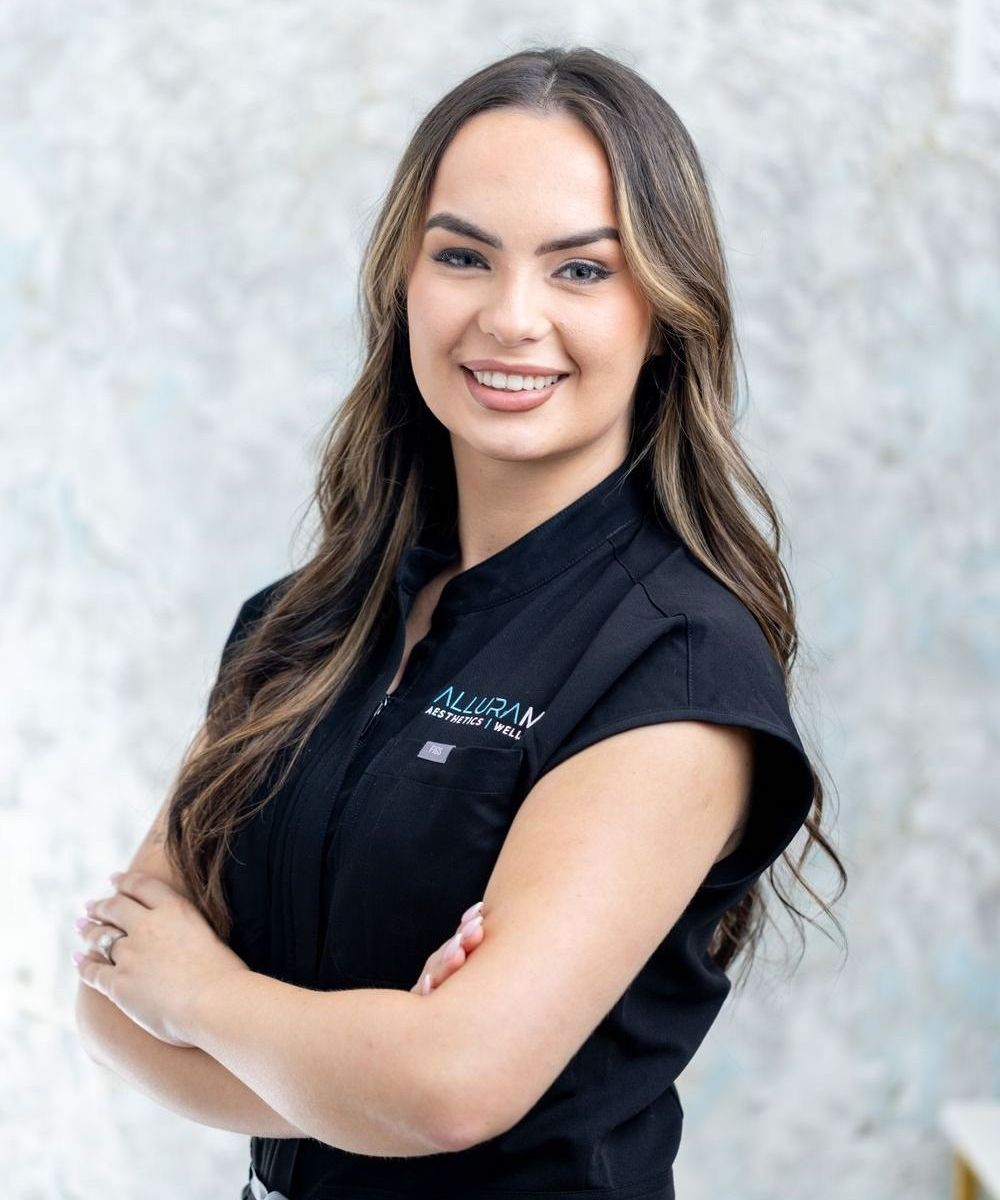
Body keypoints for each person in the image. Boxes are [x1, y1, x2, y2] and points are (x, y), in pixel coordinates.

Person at [73, 45, 845, 1200]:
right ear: (404, 279)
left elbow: (451, 1088)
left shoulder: (676, 659)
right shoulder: (299, 628)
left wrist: (202, 996)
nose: (510, 317)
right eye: (463, 255)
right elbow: (107, 997)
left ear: (665, 309)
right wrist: (372, 1068)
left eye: (581, 270)